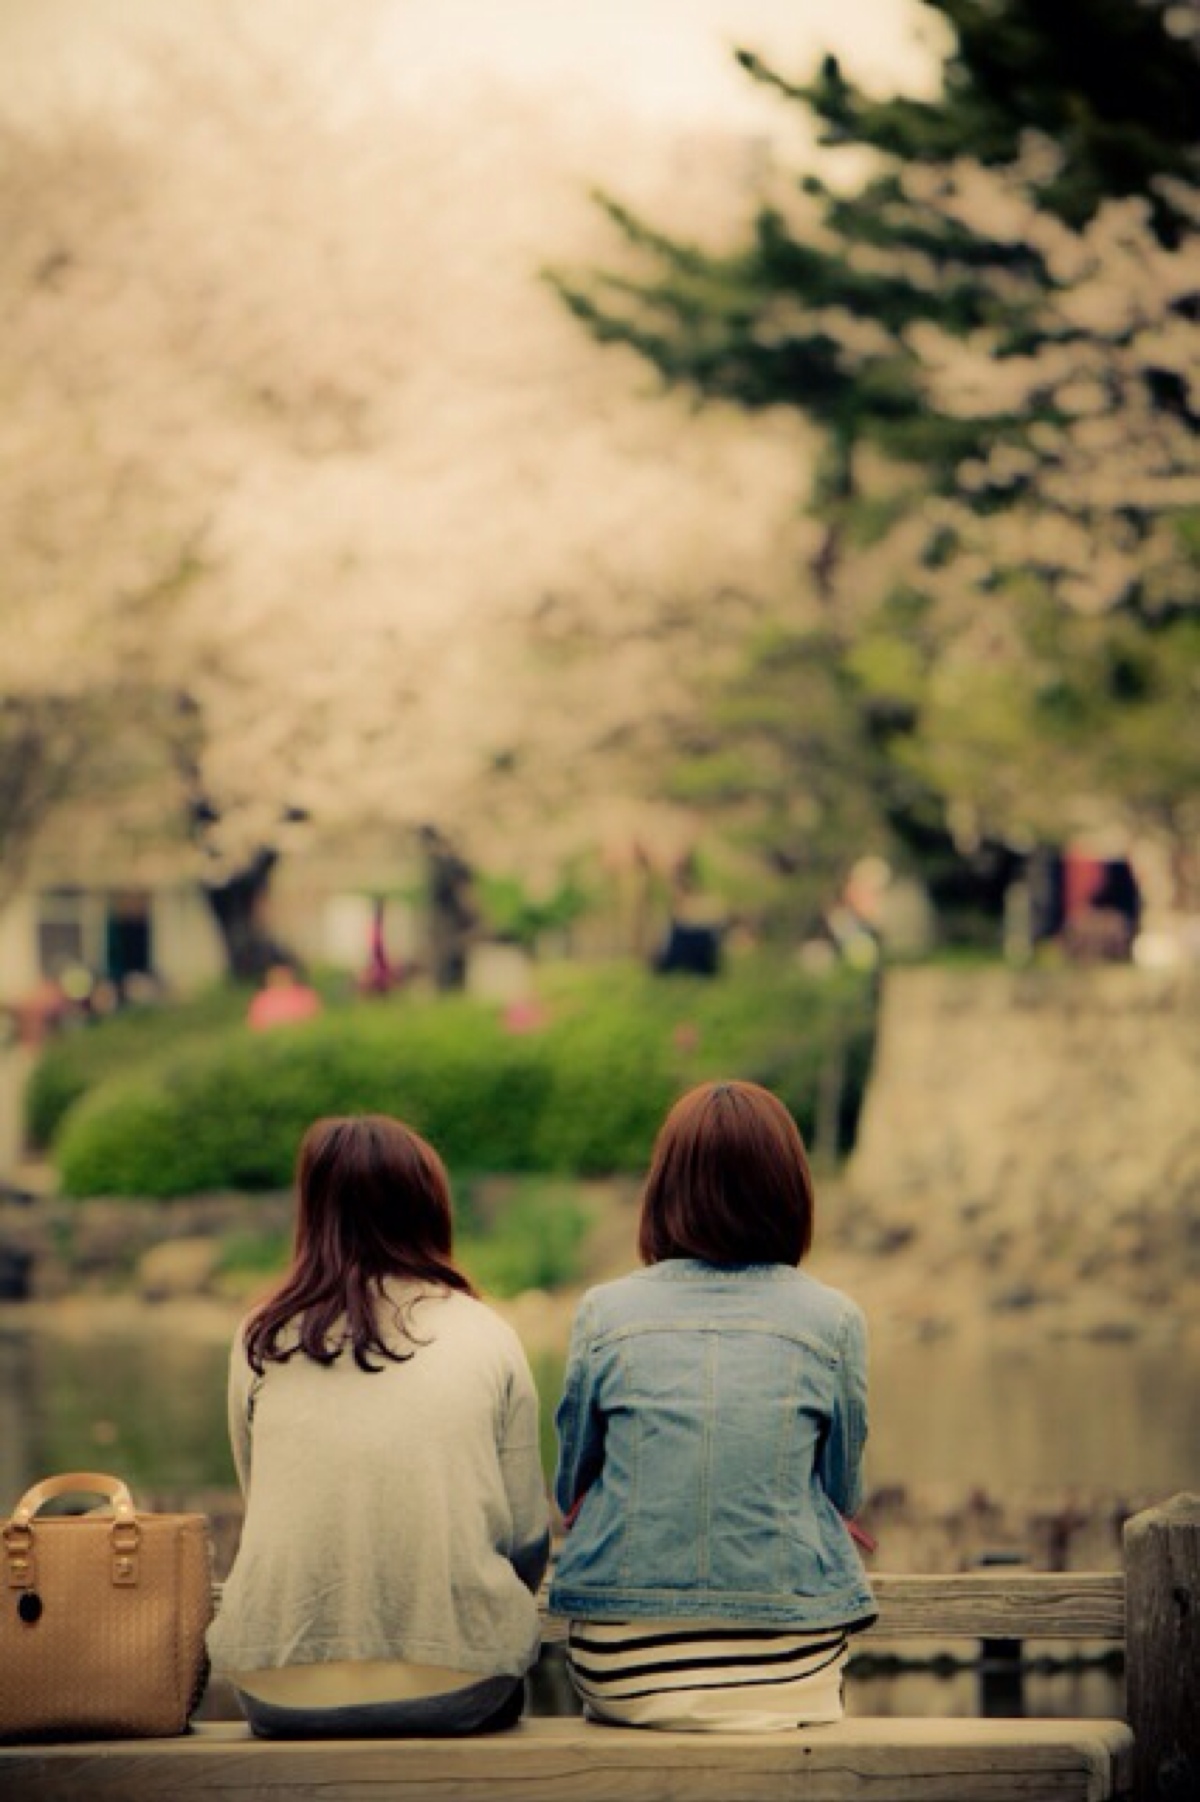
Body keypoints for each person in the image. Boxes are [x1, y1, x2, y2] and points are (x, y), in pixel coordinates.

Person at [207, 1114, 550, 1738]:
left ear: (313, 1212)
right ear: (428, 1206)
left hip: (278, 1687)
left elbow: (263, 1498)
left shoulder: (261, 1339)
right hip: (458, 1684)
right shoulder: (486, 1334)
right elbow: (527, 1537)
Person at [549, 1079, 875, 1732]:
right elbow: (845, 1493)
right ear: (790, 1191)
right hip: (789, 1664)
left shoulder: (605, 1313)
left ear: (664, 1188)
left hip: (623, 1666)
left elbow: (570, 1487)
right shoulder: (832, 1320)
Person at [246, 963, 323, 1031]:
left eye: (283, 973)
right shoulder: (261, 999)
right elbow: (254, 1025)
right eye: (275, 974)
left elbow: (316, 1020)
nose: (280, 977)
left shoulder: (306, 995)